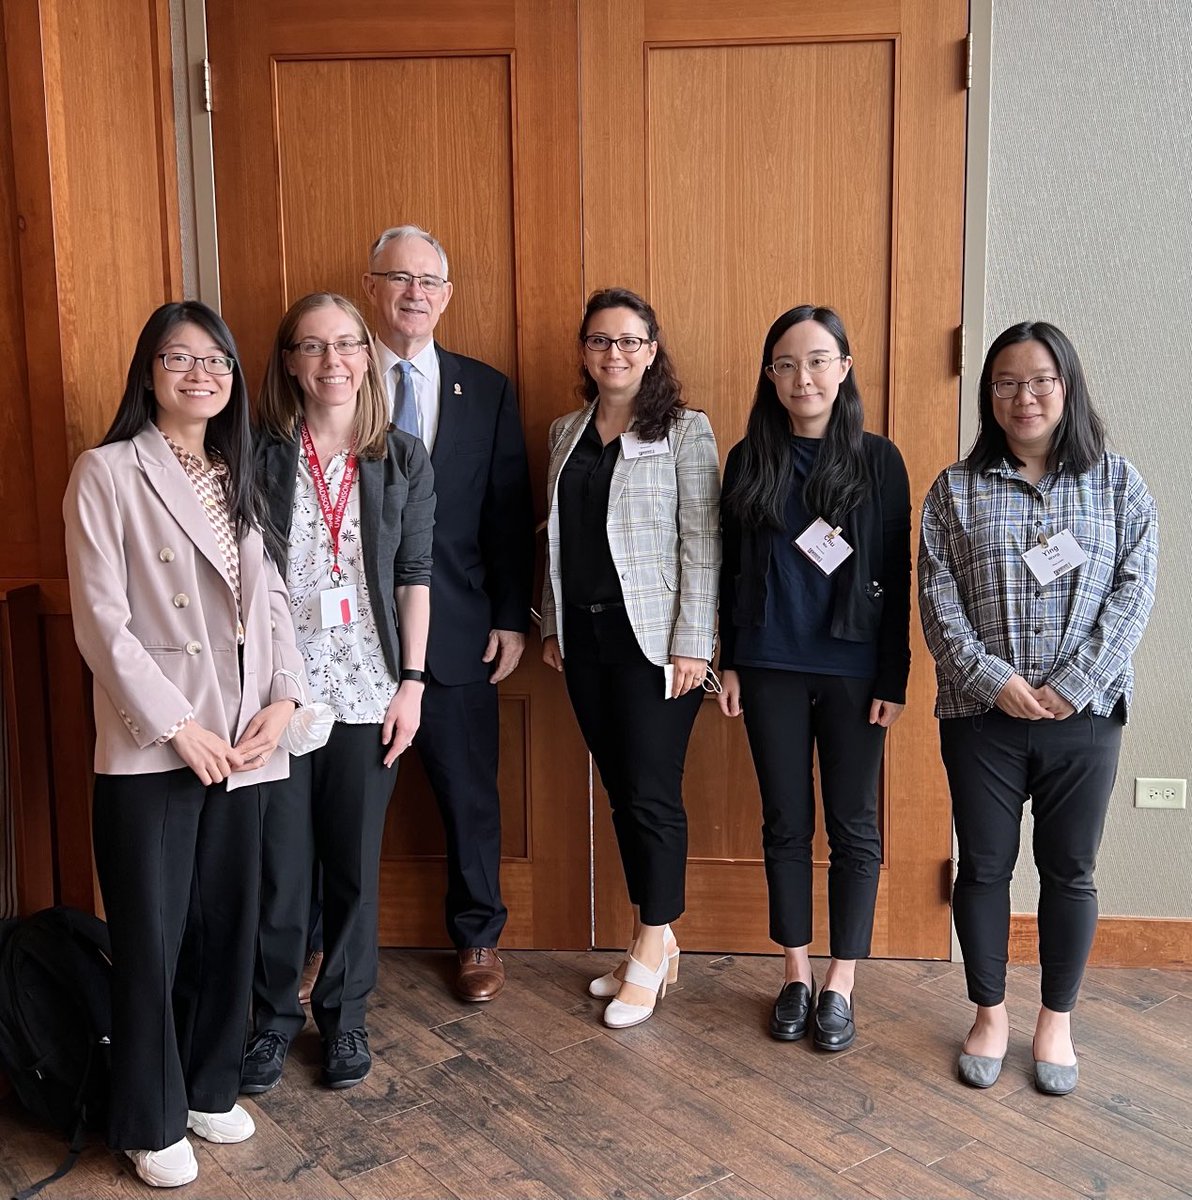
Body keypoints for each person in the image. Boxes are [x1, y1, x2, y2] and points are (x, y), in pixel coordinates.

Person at [62, 301, 306, 1189]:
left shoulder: (233, 465)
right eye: (180, 357)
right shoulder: (107, 471)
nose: (201, 374)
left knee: (224, 926)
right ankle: (149, 1117)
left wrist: (286, 700)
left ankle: (207, 1086)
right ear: (149, 370)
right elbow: (102, 622)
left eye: (218, 361)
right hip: (158, 740)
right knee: (154, 936)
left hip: (244, 736)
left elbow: (270, 599)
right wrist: (176, 726)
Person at [919, 321, 1158, 1094]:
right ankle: (989, 1012)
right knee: (984, 868)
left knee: (1071, 871)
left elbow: (1134, 592)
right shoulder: (954, 490)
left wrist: (1075, 683)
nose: (1024, 396)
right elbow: (936, 599)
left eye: (1040, 380)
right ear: (988, 396)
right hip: (980, 717)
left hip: (1082, 719)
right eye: (1005, 383)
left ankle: (1055, 1020)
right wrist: (993, 679)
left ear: (1068, 386)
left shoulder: (1119, 484)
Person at [243, 292, 435, 1093]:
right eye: (313, 347)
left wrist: (413, 685)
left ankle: (345, 1018)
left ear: (367, 355)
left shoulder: (401, 456)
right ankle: (270, 1022)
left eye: (347, 345)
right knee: (281, 870)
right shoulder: (255, 454)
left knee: (354, 866)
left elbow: (414, 577)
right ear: (289, 360)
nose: (333, 363)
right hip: (279, 694)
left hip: (368, 688)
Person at [717, 305, 911, 1051]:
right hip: (768, 665)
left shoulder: (877, 460)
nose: (804, 376)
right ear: (770, 375)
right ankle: (794, 972)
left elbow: (894, 572)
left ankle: (841, 981)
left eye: (819, 359)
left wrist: (892, 676)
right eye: (788, 363)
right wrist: (731, 658)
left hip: (855, 672)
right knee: (785, 823)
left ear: (845, 367)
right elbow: (734, 567)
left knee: (855, 826)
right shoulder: (748, 458)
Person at [361, 225, 533, 1002]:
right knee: (348, 805)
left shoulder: (486, 388)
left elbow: (506, 510)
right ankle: (329, 944)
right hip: (354, 635)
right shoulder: (341, 376)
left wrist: (510, 615)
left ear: (448, 296)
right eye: (398, 278)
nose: (414, 293)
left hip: (462, 628)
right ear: (373, 288)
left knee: (470, 794)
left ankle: (477, 936)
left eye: (429, 281)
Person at [541, 287, 721, 1029]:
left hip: (657, 648)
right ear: (584, 351)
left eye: (629, 340)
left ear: (652, 349)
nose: (615, 353)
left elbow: (703, 543)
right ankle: (657, 935)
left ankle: (651, 943)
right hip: (583, 643)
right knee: (621, 791)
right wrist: (550, 622)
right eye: (600, 341)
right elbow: (551, 535)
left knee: (652, 793)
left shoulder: (685, 430)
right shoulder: (564, 430)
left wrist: (693, 643)